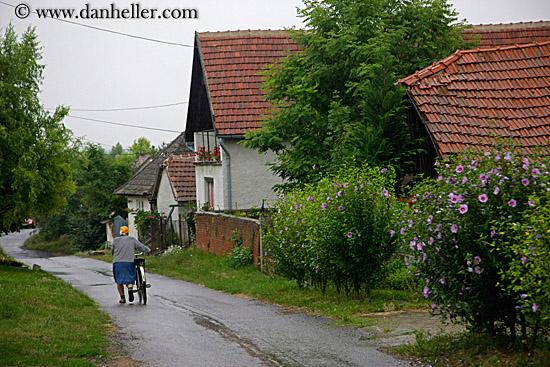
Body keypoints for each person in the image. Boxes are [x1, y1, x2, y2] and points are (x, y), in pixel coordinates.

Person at [112, 226, 150, 303]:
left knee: (119, 281)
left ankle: (122, 298)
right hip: (129, 262)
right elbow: (141, 247)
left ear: (120, 233)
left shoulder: (115, 241)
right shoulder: (132, 240)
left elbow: (112, 251)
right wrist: (148, 250)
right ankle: (130, 288)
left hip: (117, 263)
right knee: (130, 277)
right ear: (127, 232)